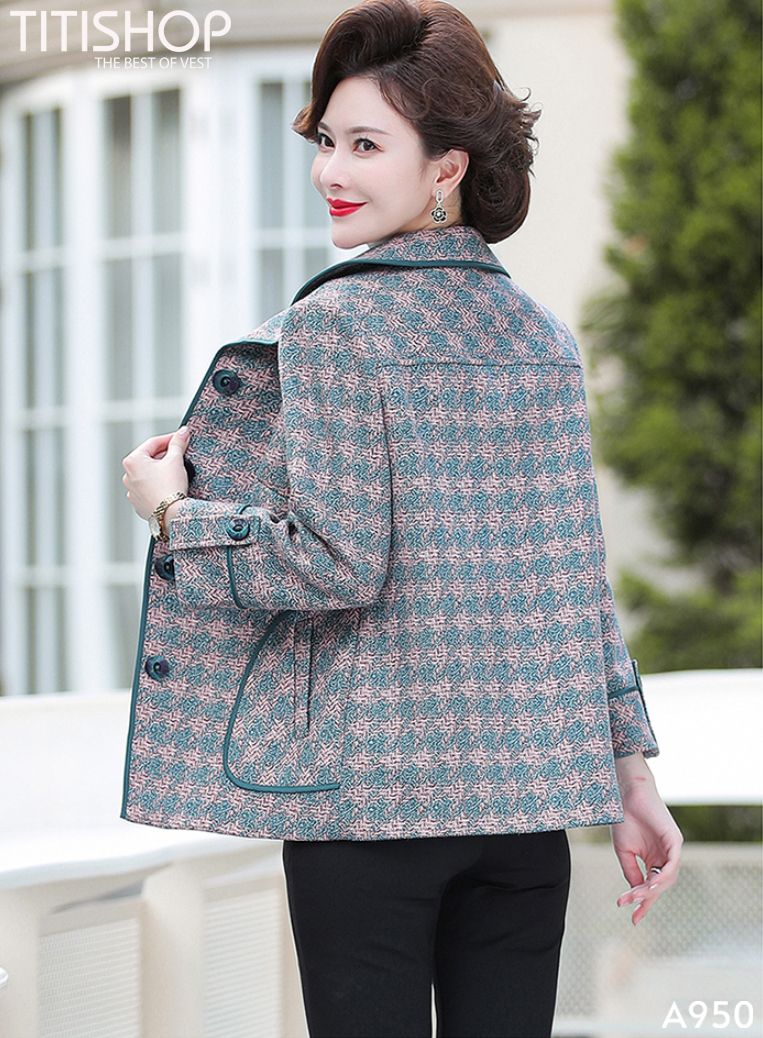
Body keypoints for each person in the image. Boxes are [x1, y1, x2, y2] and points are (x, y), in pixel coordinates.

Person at [120, 1, 684, 1035]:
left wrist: (175, 516)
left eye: (366, 145)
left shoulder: (335, 326)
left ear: (446, 168)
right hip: (525, 815)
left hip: (370, 810)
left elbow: (334, 564)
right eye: (326, 142)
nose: (331, 172)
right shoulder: (539, 337)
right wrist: (630, 773)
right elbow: (572, 578)